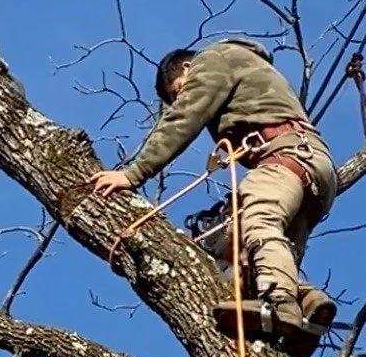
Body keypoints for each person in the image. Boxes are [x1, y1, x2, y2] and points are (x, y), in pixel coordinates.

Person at [90, 40, 337, 338]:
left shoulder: (213, 59)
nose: (184, 96)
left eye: (180, 90)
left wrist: (134, 174)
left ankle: (280, 304)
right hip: (314, 168)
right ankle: (306, 309)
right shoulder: (250, 69)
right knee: (253, 253)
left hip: (283, 158)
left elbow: (184, 118)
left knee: (257, 224)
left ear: (186, 67)